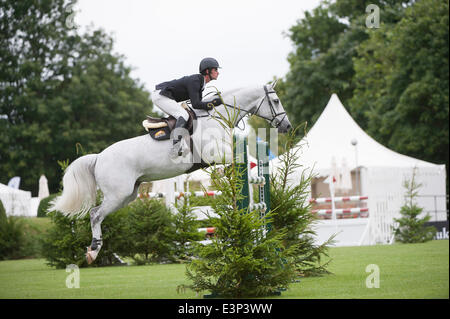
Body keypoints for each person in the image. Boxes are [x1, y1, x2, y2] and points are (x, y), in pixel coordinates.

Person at [152, 57, 222, 157]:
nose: (218, 72)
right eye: (215, 70)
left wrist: (212, 101)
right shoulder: (195, 81)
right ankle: (175, 147)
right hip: (161, 96)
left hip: (163, 96)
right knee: (183, 115)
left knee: (184, 114)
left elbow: (199, 104)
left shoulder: (201, 83)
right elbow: (196, 104)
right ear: (207, 71)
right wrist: (214, 102)